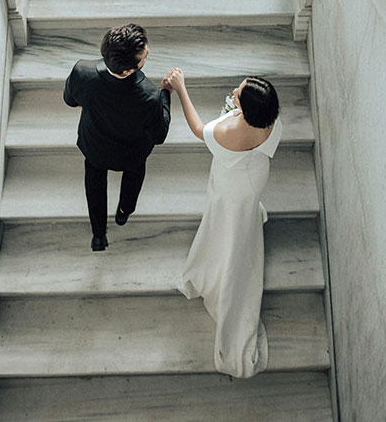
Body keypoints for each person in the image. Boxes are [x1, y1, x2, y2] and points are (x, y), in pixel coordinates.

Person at [164, 68, 281, 378]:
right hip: (255, 179)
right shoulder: (272, 122)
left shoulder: (228, 133)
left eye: (237, 95)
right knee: (244, 215)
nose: (233, 93)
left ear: (246, 108)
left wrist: (181, 88)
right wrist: (236, 111)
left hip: (232, 186)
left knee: (227, 224)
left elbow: (199, 128)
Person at [64, 24, 171, 251]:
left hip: (95, 146)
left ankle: (99, 235)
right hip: (132, 153)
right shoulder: (150, 96)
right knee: (134, 177)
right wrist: (166, 95)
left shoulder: (82, 71)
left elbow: (70, 100)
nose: (148, 52)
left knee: (94, 183)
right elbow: (159, 135)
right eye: (143, 56)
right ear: (127, 71)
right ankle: (123, 212)